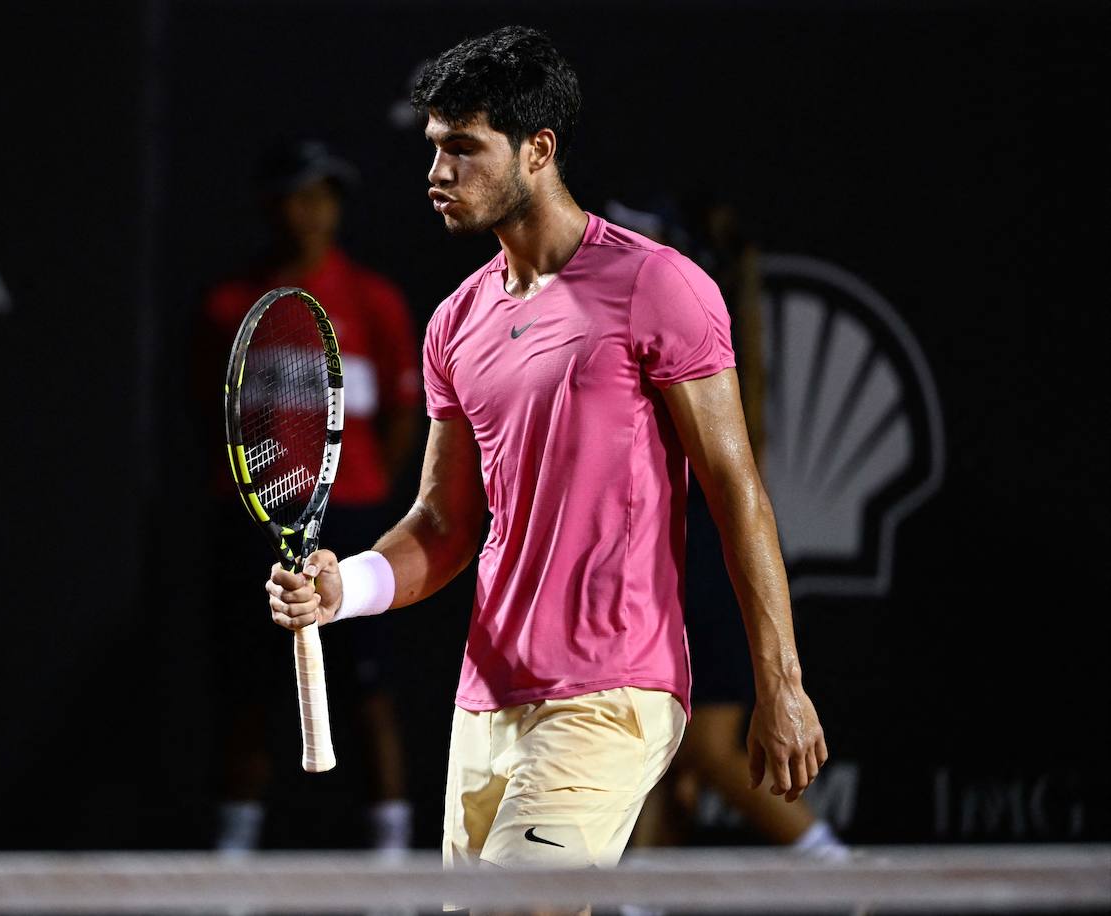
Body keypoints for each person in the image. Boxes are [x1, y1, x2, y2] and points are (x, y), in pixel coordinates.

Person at [265, 26, 827, 875]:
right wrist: (347, 586)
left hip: (611, 695)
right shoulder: (455, 322)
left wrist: (779, 684)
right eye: (432, 149)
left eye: (463, 149)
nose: (437, 174)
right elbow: (444, 524)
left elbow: (735, 489)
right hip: (484, 707)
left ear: (539, 150)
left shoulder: (658, 286)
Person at [609, 195, 847, 860]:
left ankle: (841, 875)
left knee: (703, 746)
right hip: (659, 559)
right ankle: (635, 905)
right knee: (653, 748)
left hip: (699, 560)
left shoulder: (672, 340)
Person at [205, 139, 421, 852]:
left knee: (370, 694)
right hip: (256, 528)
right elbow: (206, 414)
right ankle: (232, 865)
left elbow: (401, 412)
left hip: (351, 520)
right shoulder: (226, 306)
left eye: (327, 197)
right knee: (249, 694)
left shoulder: (376, 302)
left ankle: (390, 866)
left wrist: (362, 490)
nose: (315, 212)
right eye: (301, 195)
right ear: (273, 206)